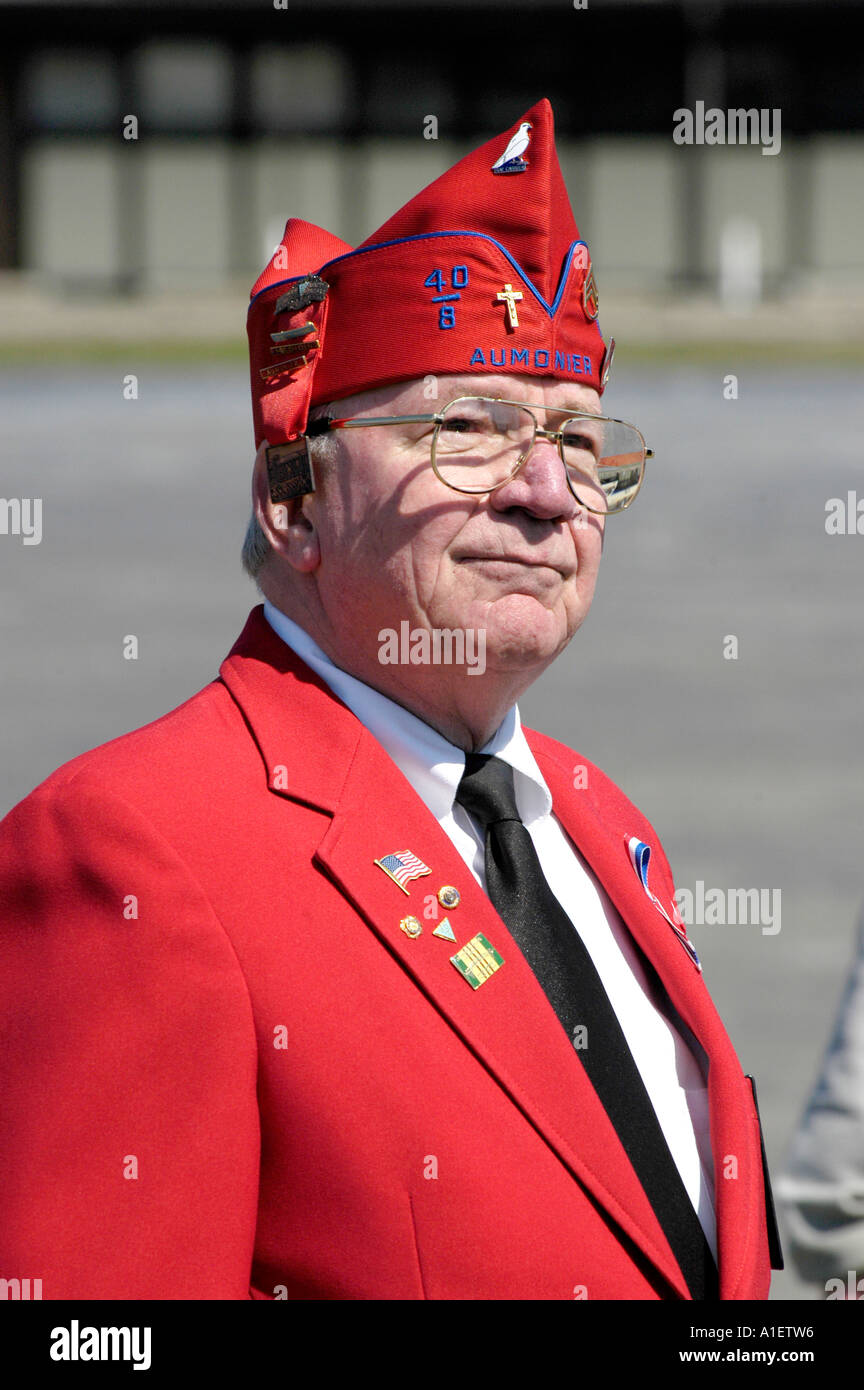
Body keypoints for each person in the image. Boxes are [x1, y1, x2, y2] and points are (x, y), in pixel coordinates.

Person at [0, 98, 779, 1300]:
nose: (544, 492)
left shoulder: (597, 825)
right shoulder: (135, 849)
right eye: (466, 427)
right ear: (293, 503)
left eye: (578, 444)